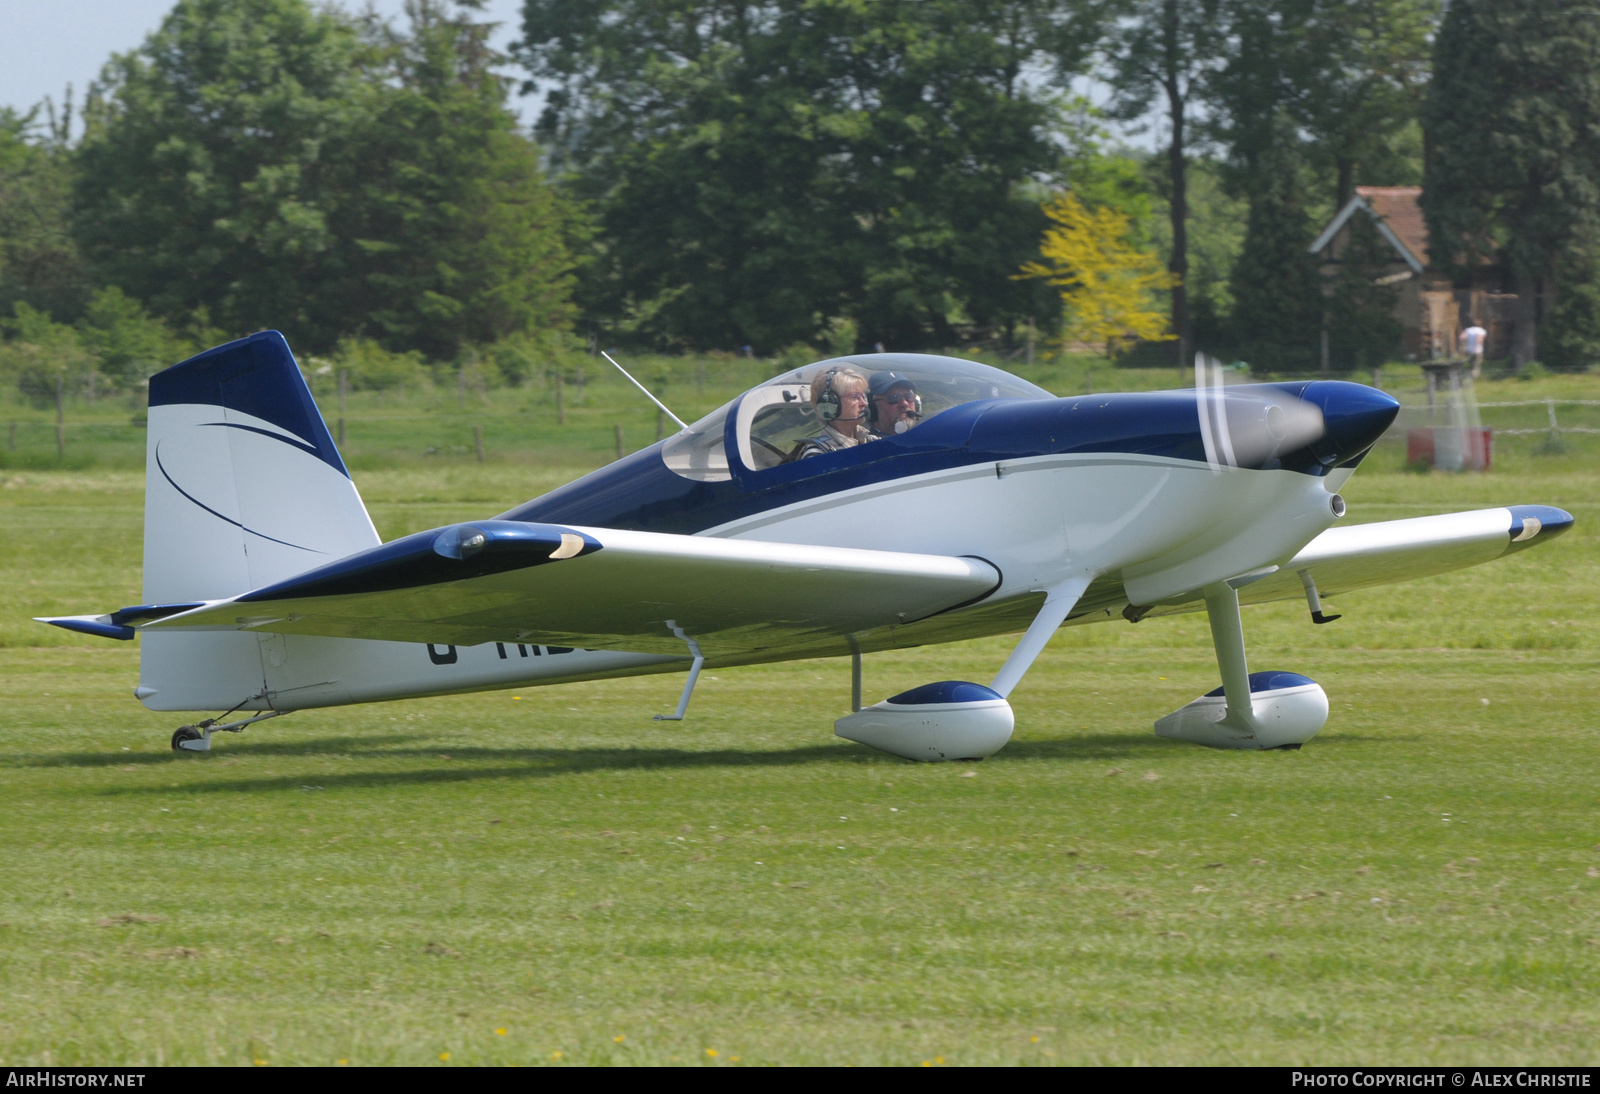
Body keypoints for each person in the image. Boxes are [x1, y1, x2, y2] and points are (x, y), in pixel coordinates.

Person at [792, 366, 872, 459]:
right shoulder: (817, 454)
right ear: (830, 404)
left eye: (863, 396)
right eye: (855, 396)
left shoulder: (872, 441)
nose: (864, 403)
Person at [867, 371, 922, 436]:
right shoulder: (862, 442)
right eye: (893, 398)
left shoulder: (927, 434)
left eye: (909, 396)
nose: (905, 403)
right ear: (872, 408)